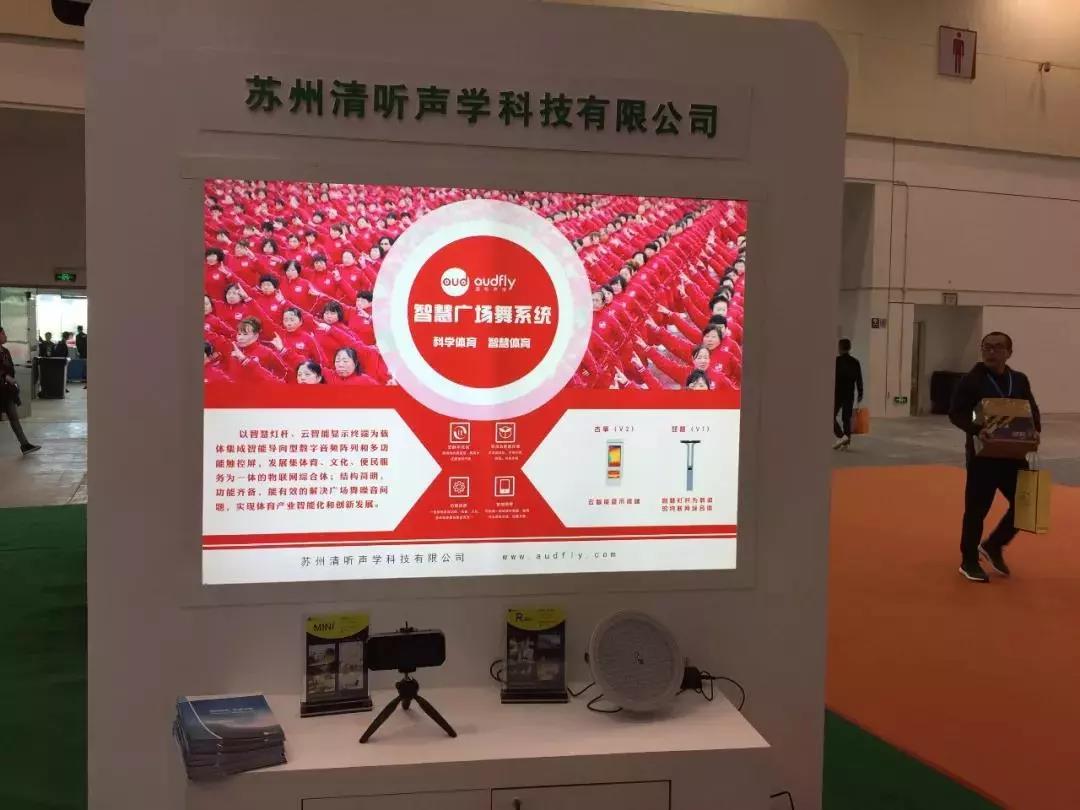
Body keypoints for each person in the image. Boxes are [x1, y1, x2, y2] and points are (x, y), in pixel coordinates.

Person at [949, 331, 1041, 583]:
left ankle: (994, 544)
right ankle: (968, 561)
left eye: (998, 347)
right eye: (987, 347)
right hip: (984, 456)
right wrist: (976, 429)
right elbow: (956, 413)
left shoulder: (1019, 380)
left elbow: (1031, 409)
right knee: (976, 510)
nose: (991, 352)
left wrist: (1035, 432)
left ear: (1009, 352)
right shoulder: (971, 381)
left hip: (1014, 453)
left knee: (1028, 504)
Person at [0, 326, 40, 454]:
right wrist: (5, 376)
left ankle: (25, 444)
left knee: (14, 418)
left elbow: (11, 368)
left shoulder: (5, 351)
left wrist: (11, 380)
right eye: (3, 334)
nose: (5, 336)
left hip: (7, 391)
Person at [833, 338, 863, 450]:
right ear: (849, 348)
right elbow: (859, 379)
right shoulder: (855, 362)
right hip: (849, 393)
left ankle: (842, 437)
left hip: (837, 393)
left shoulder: (836, 361)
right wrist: (860, 393)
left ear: (840, 348)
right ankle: (846, 442)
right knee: (846, 418)